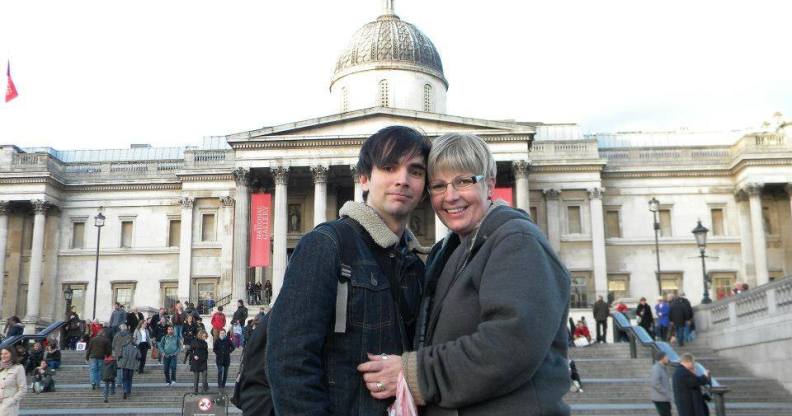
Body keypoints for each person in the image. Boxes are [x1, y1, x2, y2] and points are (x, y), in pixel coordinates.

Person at [357, 133, 571, 415]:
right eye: (438, 185)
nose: (451, 196)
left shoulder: (517, 241)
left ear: (490, 184)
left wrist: (414, 373)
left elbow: (509, 345)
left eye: (464, 181)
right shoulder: (449, 252)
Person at [267, 125, 430, 415]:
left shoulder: (416, 264)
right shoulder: (326, 245)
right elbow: (289, 362)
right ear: (364, 178)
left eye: (415, 171)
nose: (402, 180)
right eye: (389, 167)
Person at [0, 347, 27, 416]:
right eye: (1, 354)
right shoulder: (1, 368)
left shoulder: (18, 368)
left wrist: (12, 401)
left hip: (10, 407)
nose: (3, 356)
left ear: (12, 354)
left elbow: (23, 389)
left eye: (6, 353)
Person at [117, 335, 140, 400]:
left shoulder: (123, 347)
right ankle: (129, 391)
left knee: (124, 378)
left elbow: (119, 355)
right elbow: (139, 356)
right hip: (132, 365)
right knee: (130, 379)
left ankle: (125, 390)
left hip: (124, 365)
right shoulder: (135, 347)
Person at [650, 351, 673, 416]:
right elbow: (655, 383)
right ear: (662, 358)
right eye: (666, 357)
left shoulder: (663, 368)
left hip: (664, 398)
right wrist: (665, 391)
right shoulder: (657, 368)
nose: (668, 358)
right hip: (660, 399)